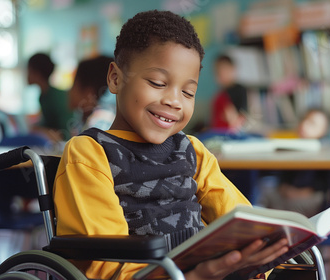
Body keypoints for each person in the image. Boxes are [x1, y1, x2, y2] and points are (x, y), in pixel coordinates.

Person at [53, 10, 288, 280]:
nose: (175, 101)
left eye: (188, 92)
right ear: (116, 79)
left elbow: (244, 222)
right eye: (158, 83)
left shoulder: (193, 151)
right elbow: (106, 266)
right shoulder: (90, 154)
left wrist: (262, 253)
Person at [259, 109, 330, 218]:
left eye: (312, 123)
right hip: (287, 193)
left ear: (324, 130)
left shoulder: (327, 151)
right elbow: (283, 175)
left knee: (292, 210)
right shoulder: (292, 147)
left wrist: (302, 193)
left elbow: (324, 183)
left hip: (309, 195)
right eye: (303, 120)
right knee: (266, 195)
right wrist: (285, 188)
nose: (304, 124)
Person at [27, 53, 74, 141]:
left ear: (37, 73)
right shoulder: (42, 96)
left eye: (28, 70)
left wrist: (39, 130)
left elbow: (65, 132)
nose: (26, 74)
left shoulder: (57, 96)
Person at [68, 55, 116, 134]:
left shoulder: (99, 123)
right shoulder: (83, 116)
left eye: (74, 84)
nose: (69, 91)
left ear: (88, 92)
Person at [210, 54, 248, 131]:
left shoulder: (240, 90)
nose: (222, 75)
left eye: (225, 70)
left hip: (232, 130)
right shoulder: (220, 94)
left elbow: (241, 115)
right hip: (218, 130)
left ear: (233, 69)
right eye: (218, 72)